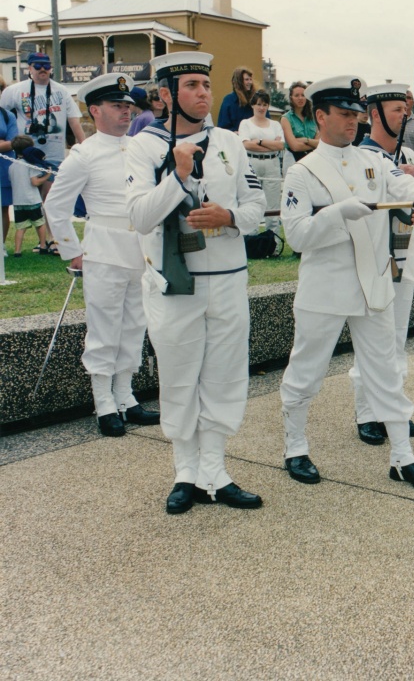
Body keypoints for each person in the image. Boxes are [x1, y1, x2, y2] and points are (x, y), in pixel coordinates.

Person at [278, 75, 414, 493]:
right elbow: (298, 237)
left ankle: (402, 456)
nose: (353, 122)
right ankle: (295, 447)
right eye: (343, 115)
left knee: (386, 371)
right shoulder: (302, 173)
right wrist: (338, 213)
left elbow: (402, 185)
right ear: (320, 116)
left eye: (356, 115)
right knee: (306, 371)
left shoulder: (371, 162)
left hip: (372, 285)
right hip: (325, 288)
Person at [125, 52, 267, 514]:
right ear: (166, 95)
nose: (203, 93)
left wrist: (228, 217)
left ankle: (216, 471)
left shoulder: (230, 140)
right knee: (181, 377)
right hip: (174, 283)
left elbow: (255, 208)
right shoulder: (144, 146)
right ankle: (185, 472)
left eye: (206, 84)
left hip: (227, 279)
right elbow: (139, 216)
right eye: (191, 85)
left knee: (224, 375)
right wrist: (178, 175)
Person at [44, 73, 161, 437]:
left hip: (140, 248)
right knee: (104, 326)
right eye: (117, 106)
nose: (126, 112)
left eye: (129, 107)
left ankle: (126, 395)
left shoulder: (141, 147)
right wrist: (72, 251)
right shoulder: (84, 154)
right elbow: (55, 205)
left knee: (134, 325)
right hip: (104, 247)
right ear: (94, 110)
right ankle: (103, 403)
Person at [352, 82, 414, 446]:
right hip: (374, 260)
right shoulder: (358, 158)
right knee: (373, 341)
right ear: (375, 114)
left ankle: (395, 412)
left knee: (398, 338)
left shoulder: (411, 157)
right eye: (397, 109)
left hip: (405, 256)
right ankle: (367, 414)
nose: (405, 115)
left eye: (405, 108)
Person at [1, 51, 85, 252]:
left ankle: (51, 239)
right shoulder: (15, 90)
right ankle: (34, 242)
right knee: (29, 198)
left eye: (46, 66)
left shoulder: (62, 91)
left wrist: (84, 145)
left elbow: (74, 120)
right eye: (37, 66)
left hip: (52, 153)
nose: (42, 70)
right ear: (29, 69)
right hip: (24, 155)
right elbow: (3, 115)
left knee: (51, 197)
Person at [239, 89, 285, 235]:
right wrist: (270, 145)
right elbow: (246, 144)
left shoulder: (275, 125)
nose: (261, 108)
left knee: (272, 204)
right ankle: (252, 240)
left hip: (272, 164)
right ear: (253, 105)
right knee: (252, 201)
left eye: (264, 104)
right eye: (258, 104)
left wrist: (259, 141)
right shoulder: (246, 123)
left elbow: (280, 145)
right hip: (252, 163)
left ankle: (274, 242)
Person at [8, 136, 50, 256]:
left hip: (18, 202)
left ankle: (17, 251)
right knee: (40, 223)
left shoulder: (12, 166)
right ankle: (43, 246)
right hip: (32, 200)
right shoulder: (30, 164)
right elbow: (35, 182)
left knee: (20, 227)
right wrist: (47, 175)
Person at [0, 77, 18, 253]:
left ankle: (1, 245)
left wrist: (6, 143)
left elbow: (13, 142)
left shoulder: (7, 115)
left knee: (3, 208)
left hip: (3, 168)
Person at [281, 81, 318, 163]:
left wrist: (306, 140)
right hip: (293, 159)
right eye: (297, 95)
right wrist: (313, 144)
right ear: (291, 98)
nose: (300, 98)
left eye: (303, 95)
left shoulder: (313, 118)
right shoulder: (286, 119)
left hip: (311, 159)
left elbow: (320, 144)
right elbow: (294, 146)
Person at [217, 66, 255, 132]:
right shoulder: (228, 100)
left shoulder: (256, 99)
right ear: (239, 81)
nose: (250, 82)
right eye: (246, 79)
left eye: (250, 79)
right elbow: (223, 128)